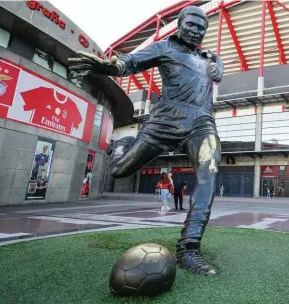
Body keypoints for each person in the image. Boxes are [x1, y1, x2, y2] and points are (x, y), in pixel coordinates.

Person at [68, 6, 223, 276]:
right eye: (192, 25)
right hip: (164, 122)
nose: (196, 31)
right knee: (120, 171)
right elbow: (130, 62)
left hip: (201, 122)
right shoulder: (164, 47)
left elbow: (217, 75)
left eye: (202, 28)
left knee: (208, 173)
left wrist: (216, 64)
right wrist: (110, 66)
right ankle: (121, 145)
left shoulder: (208, 57)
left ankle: (189, 248)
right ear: (179, 23)